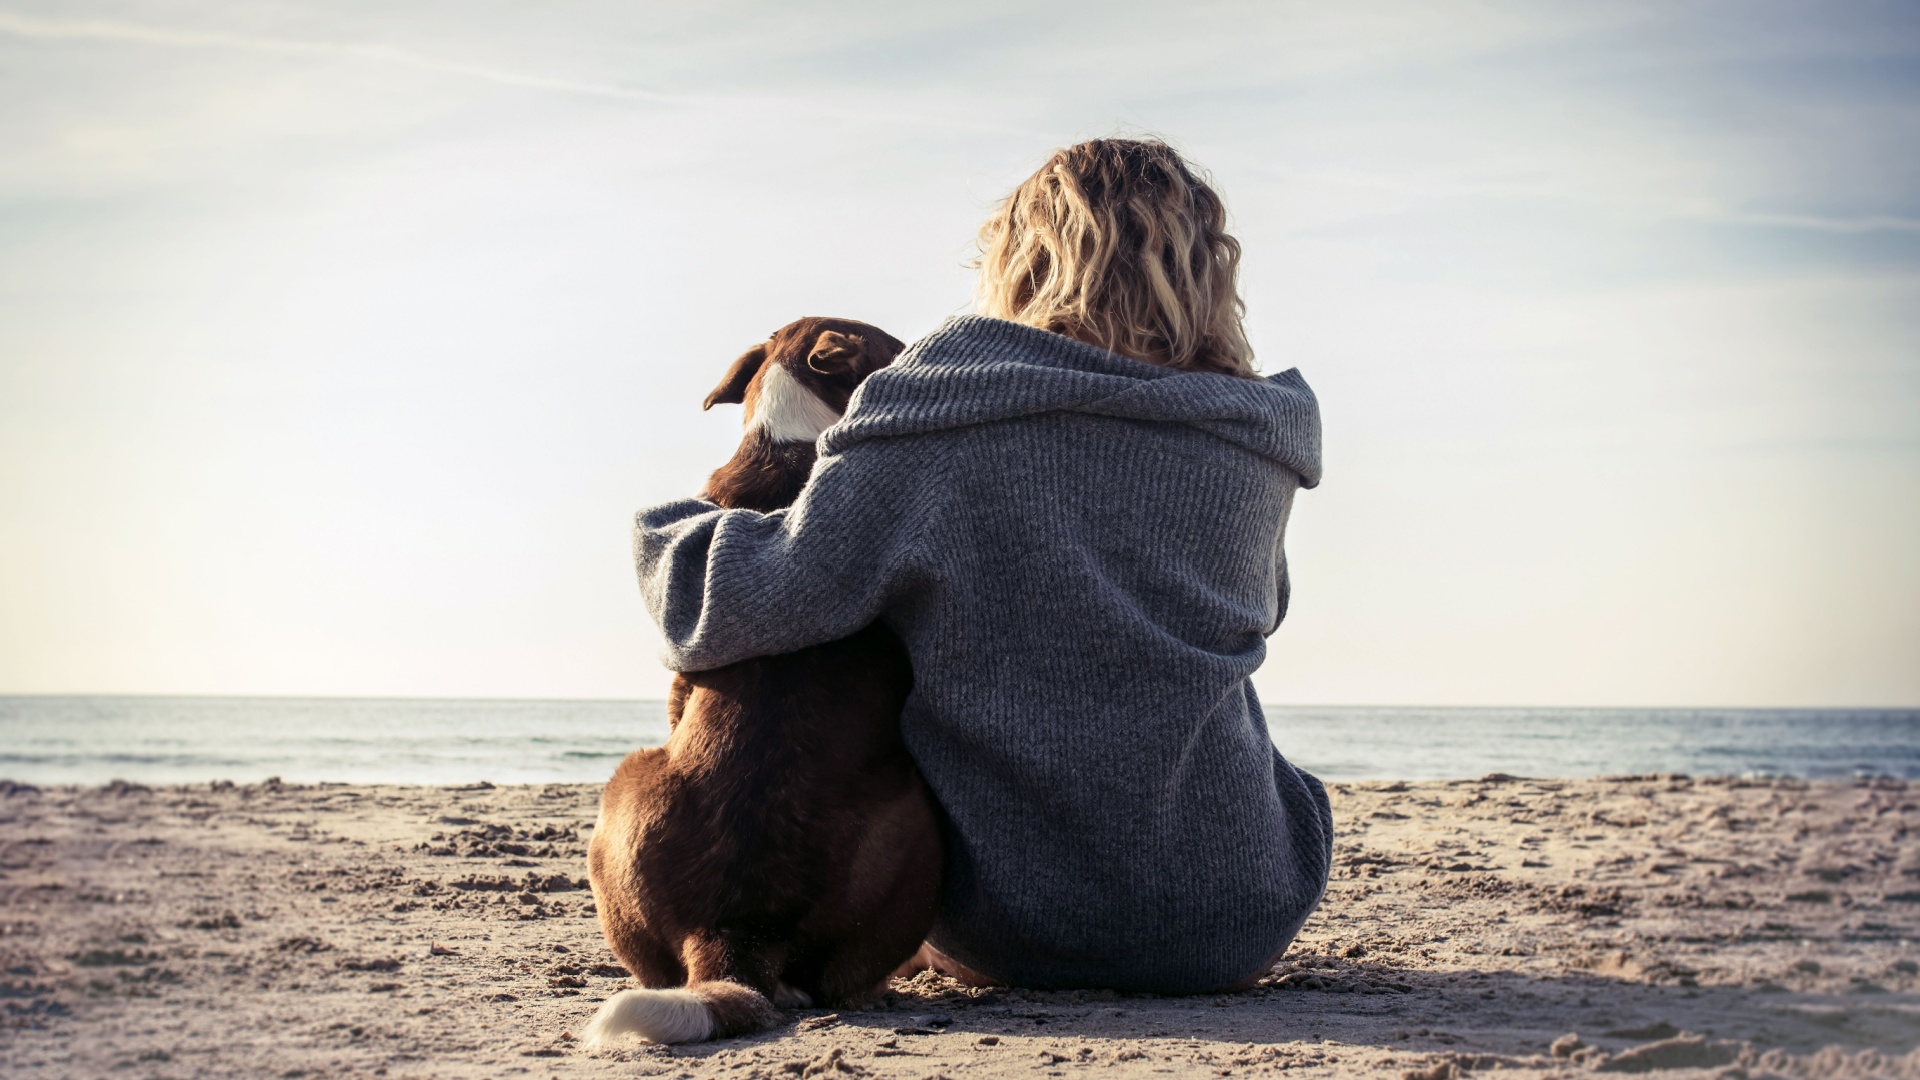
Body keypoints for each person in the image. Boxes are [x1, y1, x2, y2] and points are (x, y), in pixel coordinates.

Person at [633, 138, 1332, 994]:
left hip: (1017, 929)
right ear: (1206, 272)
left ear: (1022, 263)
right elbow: (1261, 612)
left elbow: (745, 607)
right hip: (1242, 913)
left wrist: (675, 527)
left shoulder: (943, 412)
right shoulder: (1253, 439)